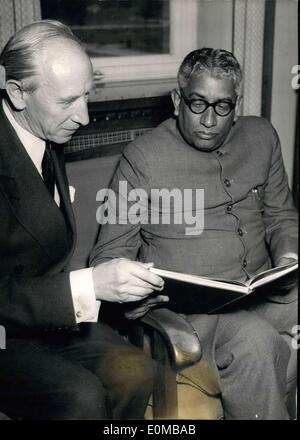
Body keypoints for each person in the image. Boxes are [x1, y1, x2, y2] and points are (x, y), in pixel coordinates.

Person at [90, 48, 298, 420]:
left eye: (223, 107)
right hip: (196, 315)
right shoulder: (141, 159)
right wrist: (135, 296)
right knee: (256, 342)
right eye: (197, 103)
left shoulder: (262, 136)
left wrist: (288, 258)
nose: (209, 120)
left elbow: (282, 216)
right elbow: (108, 256)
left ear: (237, 105)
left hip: (265, 292)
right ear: (177, 101)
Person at [0, 20, 165, 420]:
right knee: (81, 398)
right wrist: (91, 284)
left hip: (43, 318)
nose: (85, 116)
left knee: (138, 371)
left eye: (87, 96)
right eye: (68, 101)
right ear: (18, 93)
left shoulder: (44, 129)